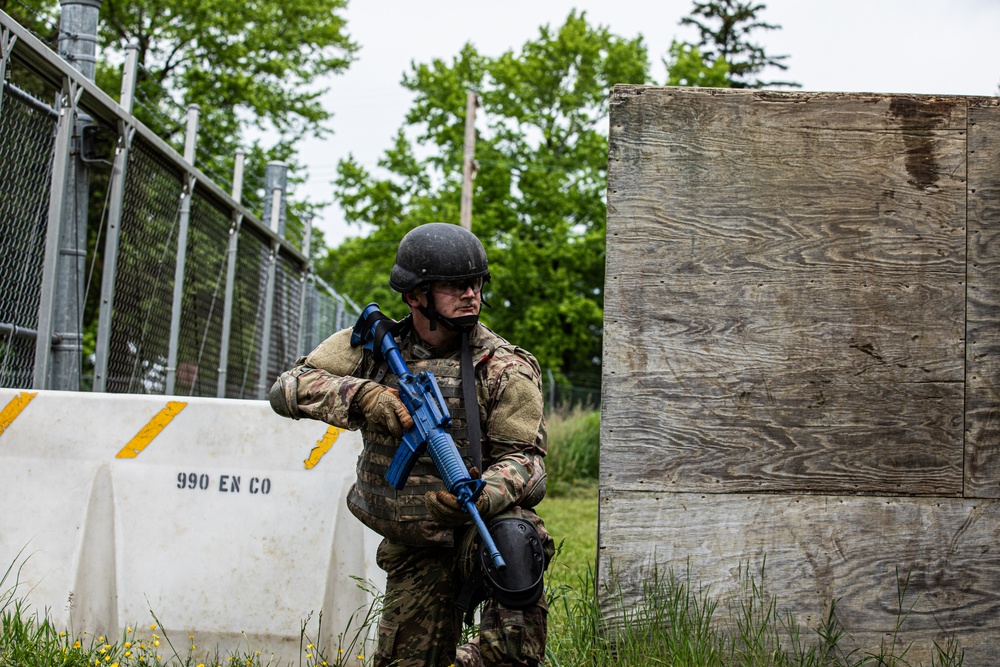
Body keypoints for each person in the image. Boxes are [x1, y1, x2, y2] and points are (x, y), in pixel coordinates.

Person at [269, 222, 553, 667]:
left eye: (476, 283)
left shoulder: (502, 367)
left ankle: (493, 656)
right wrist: (365, 397)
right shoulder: (372, 348)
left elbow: (528, 463)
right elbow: (288, 388)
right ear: (415, 295)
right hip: (415, 546)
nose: (471, 294)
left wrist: (484, 492)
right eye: (455, 285)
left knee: (518, 538)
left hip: (478, 533)